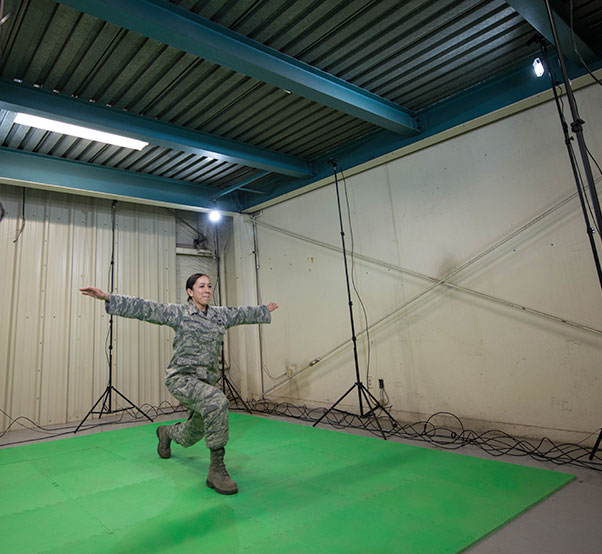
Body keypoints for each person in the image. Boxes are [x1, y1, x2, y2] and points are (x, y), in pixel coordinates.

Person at [80, 273, 278, 495]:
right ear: (190, 292)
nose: (207, 290)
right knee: (217, 401)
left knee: (191, 435)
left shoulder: (220, 315)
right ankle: (217, 470)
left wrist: (263, 310)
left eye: (210, 286)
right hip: (181, 378)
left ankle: (166, 433)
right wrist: (109, 298)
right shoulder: (179, 313)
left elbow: (242, 313)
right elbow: (145, 308)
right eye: (201, 286)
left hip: (205, 383)